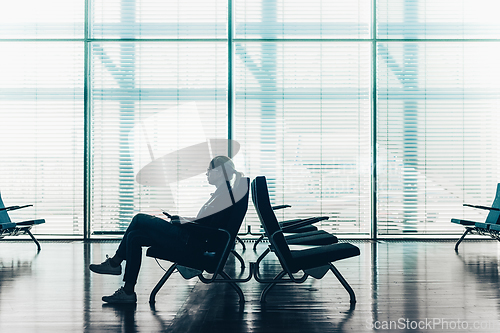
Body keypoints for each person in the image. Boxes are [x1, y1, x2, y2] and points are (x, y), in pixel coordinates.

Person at [89, 155, 245, 304]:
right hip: (191, 236)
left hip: (190, 241)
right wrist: (184, 220)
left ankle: (115, 263)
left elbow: (211, 230)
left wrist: (184, 223)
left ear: (218, 172)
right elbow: (207, 223)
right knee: (134, 237)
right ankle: (128, 291)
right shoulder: (222, 194)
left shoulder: (224, 196)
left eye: (209, 170)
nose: (206, 174)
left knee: (139, 219)